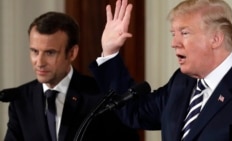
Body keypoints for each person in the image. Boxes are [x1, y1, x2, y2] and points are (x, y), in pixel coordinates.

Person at [89, 0, 232, 141]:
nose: (174, 43)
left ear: (216, 39)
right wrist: (110, 52)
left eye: (184, 33)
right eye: (173, 34)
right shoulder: (181, 82)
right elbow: (135, 110)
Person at [4, 11, 140, 141]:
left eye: (50, 53)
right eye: (34, 51)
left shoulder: (100, 97)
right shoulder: (20, 100)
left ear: (72, 53)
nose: (39, 62)